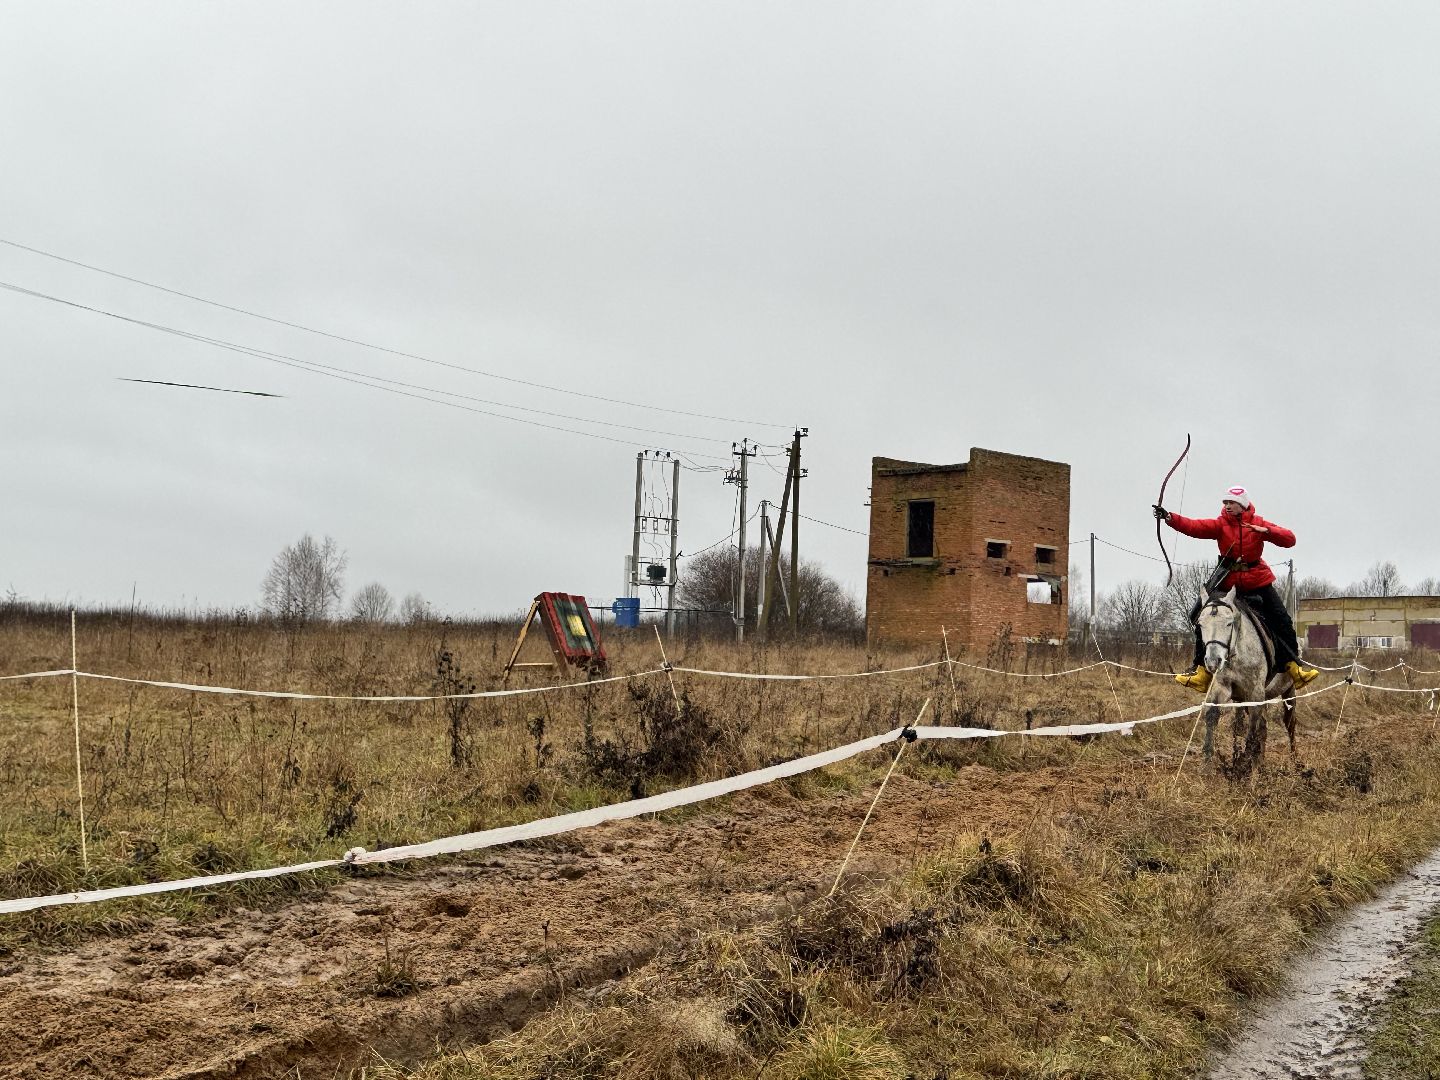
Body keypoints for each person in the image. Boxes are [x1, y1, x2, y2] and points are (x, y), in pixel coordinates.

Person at [1152, 486, 1319, 692]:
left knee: (1281, 618)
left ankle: (1294, 667)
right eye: (1225, 502)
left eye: (1231, 502)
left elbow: (1290, 539)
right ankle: (1202, 672)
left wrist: (1267, 531)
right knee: (1199, 614)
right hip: (1227, 582)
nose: (1227, 506)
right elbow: (1194, 526)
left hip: (1258, 580)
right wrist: (1169, 517)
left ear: (1242, 505)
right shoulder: (1221, 524)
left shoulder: (1258, 523)